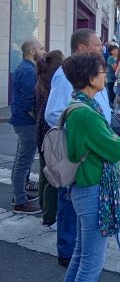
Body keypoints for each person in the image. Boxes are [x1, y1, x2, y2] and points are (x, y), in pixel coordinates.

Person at [56, 51, 120, 282]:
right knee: (91, 263)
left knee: (81, 255)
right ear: (89, 77)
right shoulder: (84, 112)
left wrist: (112, 138)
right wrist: (119, 140)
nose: (105, 73)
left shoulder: (80, 104)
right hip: (92, 189)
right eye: (101, 70)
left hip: (86, 187)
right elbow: (116, 148)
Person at [45, 29, 112, 267]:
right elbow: (52, 113)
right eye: (97, 44)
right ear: (82, 48)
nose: (102, 47)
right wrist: (83, 130)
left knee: (80, 205)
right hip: (77, 151)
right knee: (69, 201)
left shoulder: (92, 71)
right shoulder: (67, 75)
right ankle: (67, 250)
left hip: (92, 149)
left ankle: (76, 249)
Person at [10, 38, 46, 214]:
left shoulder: (28, 68)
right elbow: (27, 103)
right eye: (41, 48)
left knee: (22, 160)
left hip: (23, 121)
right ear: (32, 52)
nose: (44, 51)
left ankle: (20, 192)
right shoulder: (27, 70)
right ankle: (20, 201)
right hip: (27, 123)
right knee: (23, 161)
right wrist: (38, 118)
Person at [35, 50, 64, 229]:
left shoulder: (40, 81)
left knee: (44, 173)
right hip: (51, 130)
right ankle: (49, 215)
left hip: (41, 129)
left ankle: (44, 209)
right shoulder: (59, 81)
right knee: (54, 175)